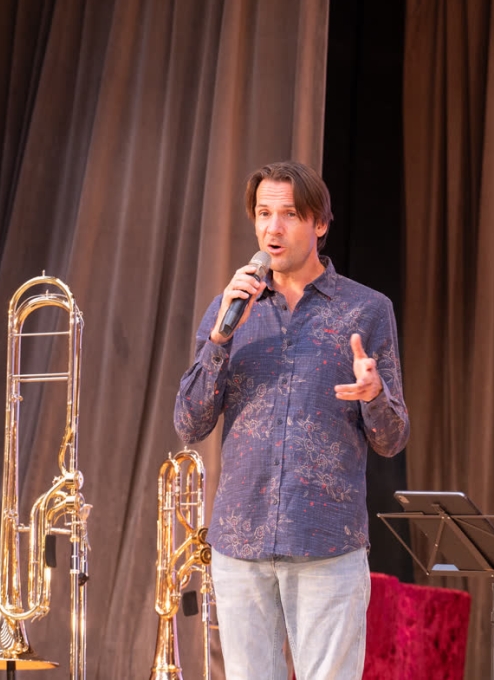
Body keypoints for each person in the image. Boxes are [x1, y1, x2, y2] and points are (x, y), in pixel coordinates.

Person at [174, 160, 410, 680]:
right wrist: (219, 339)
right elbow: (189, 423)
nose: (272, 229)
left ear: (319, 223)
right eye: (263, 214)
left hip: (326, 540)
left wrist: (374, 394)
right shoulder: (230, 308)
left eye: (289, 215)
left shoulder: (366, 310)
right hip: (242, 540)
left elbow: (392, 440)